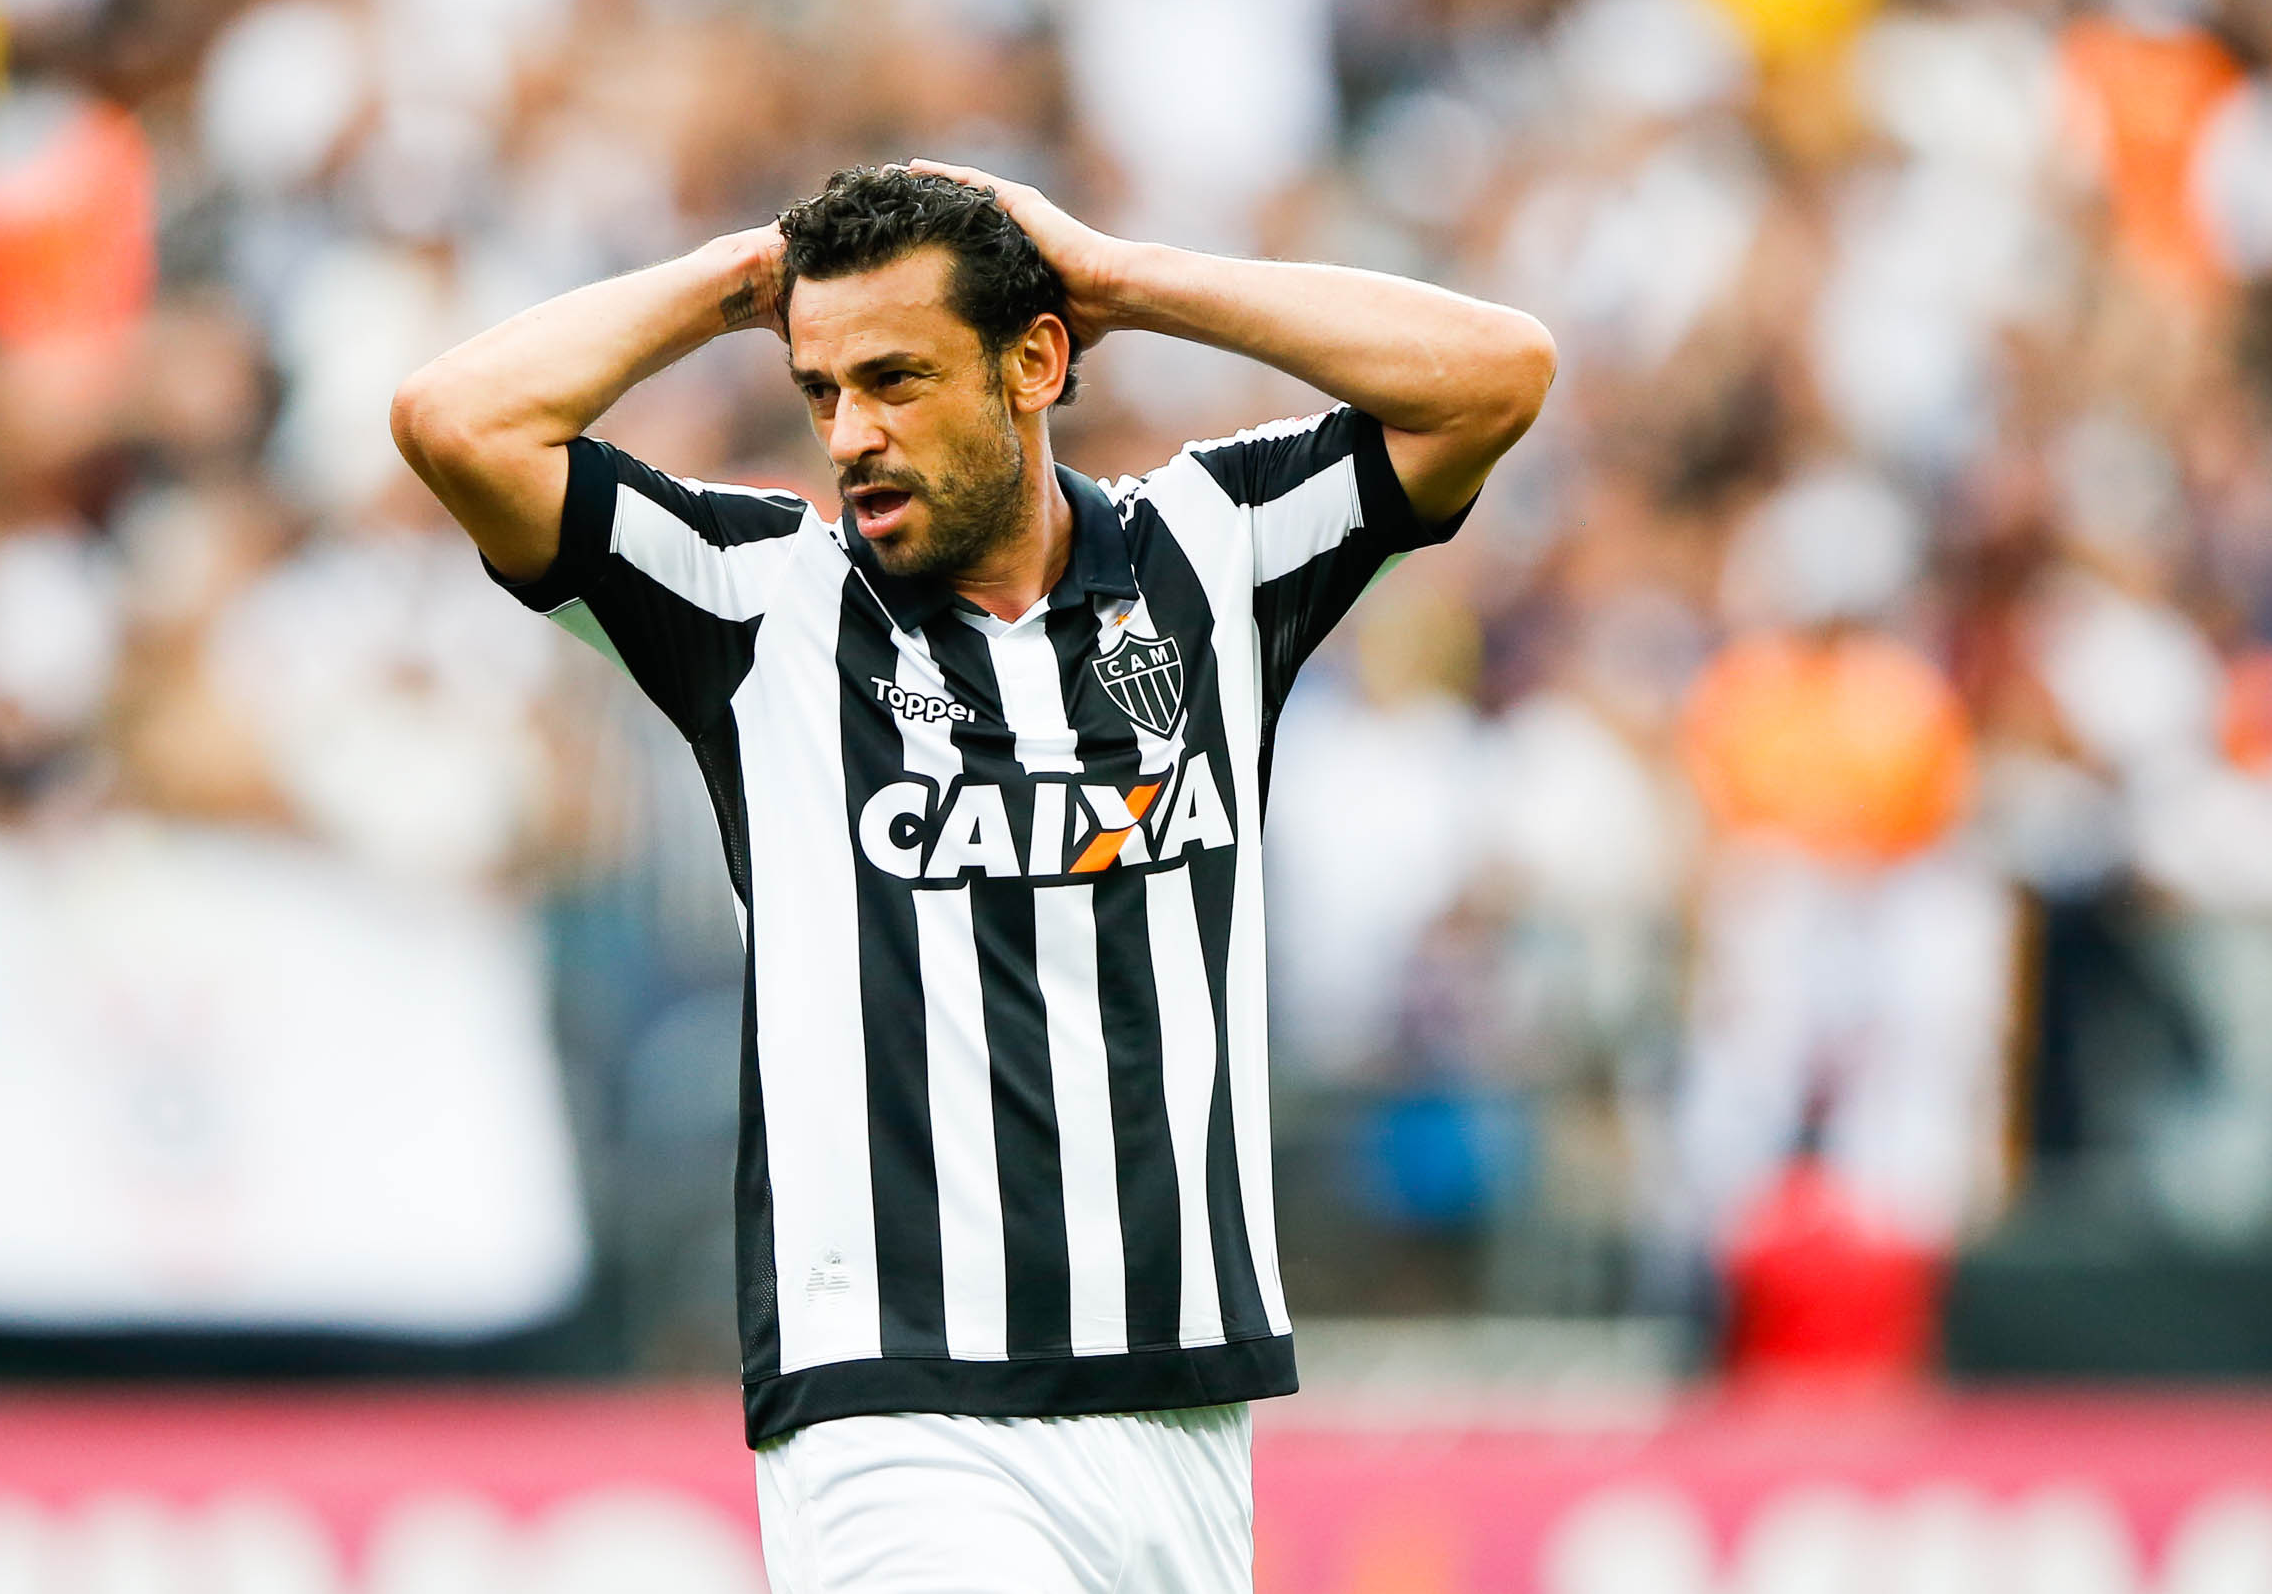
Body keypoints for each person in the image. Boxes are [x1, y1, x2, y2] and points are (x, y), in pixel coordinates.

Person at [392, 162, 1553, 1593]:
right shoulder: (759, 604)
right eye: (823, 392)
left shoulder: (1216, 549)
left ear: (1036, 360)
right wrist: (741, 279)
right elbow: (457, 420)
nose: (853, 435)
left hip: (1179, 1392)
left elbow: (1499, 373)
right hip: (901, 1400)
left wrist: (1124, 277)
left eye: (896, 377)